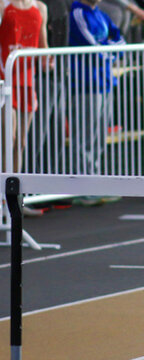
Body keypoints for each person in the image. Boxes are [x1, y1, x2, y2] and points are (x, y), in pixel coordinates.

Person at [68, 0, 125, 205]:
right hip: (86, 83)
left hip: (105, 81)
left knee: (99, 135)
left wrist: (108, 49)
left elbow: (121, 41)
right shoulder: (77, 13)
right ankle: (83, 187)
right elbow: (92, 47)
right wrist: (110, 49)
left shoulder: (100, 13)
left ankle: (95, 183)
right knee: (84, 135)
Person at [1, 0, 49, 215]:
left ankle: (14, 201)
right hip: (5, 81)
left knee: (20, 142)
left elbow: (43, 45)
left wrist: (48, 61)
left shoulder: (40, 8)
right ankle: (3, 199)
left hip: (27, 82)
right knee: (7, 140)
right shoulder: (3, 5)